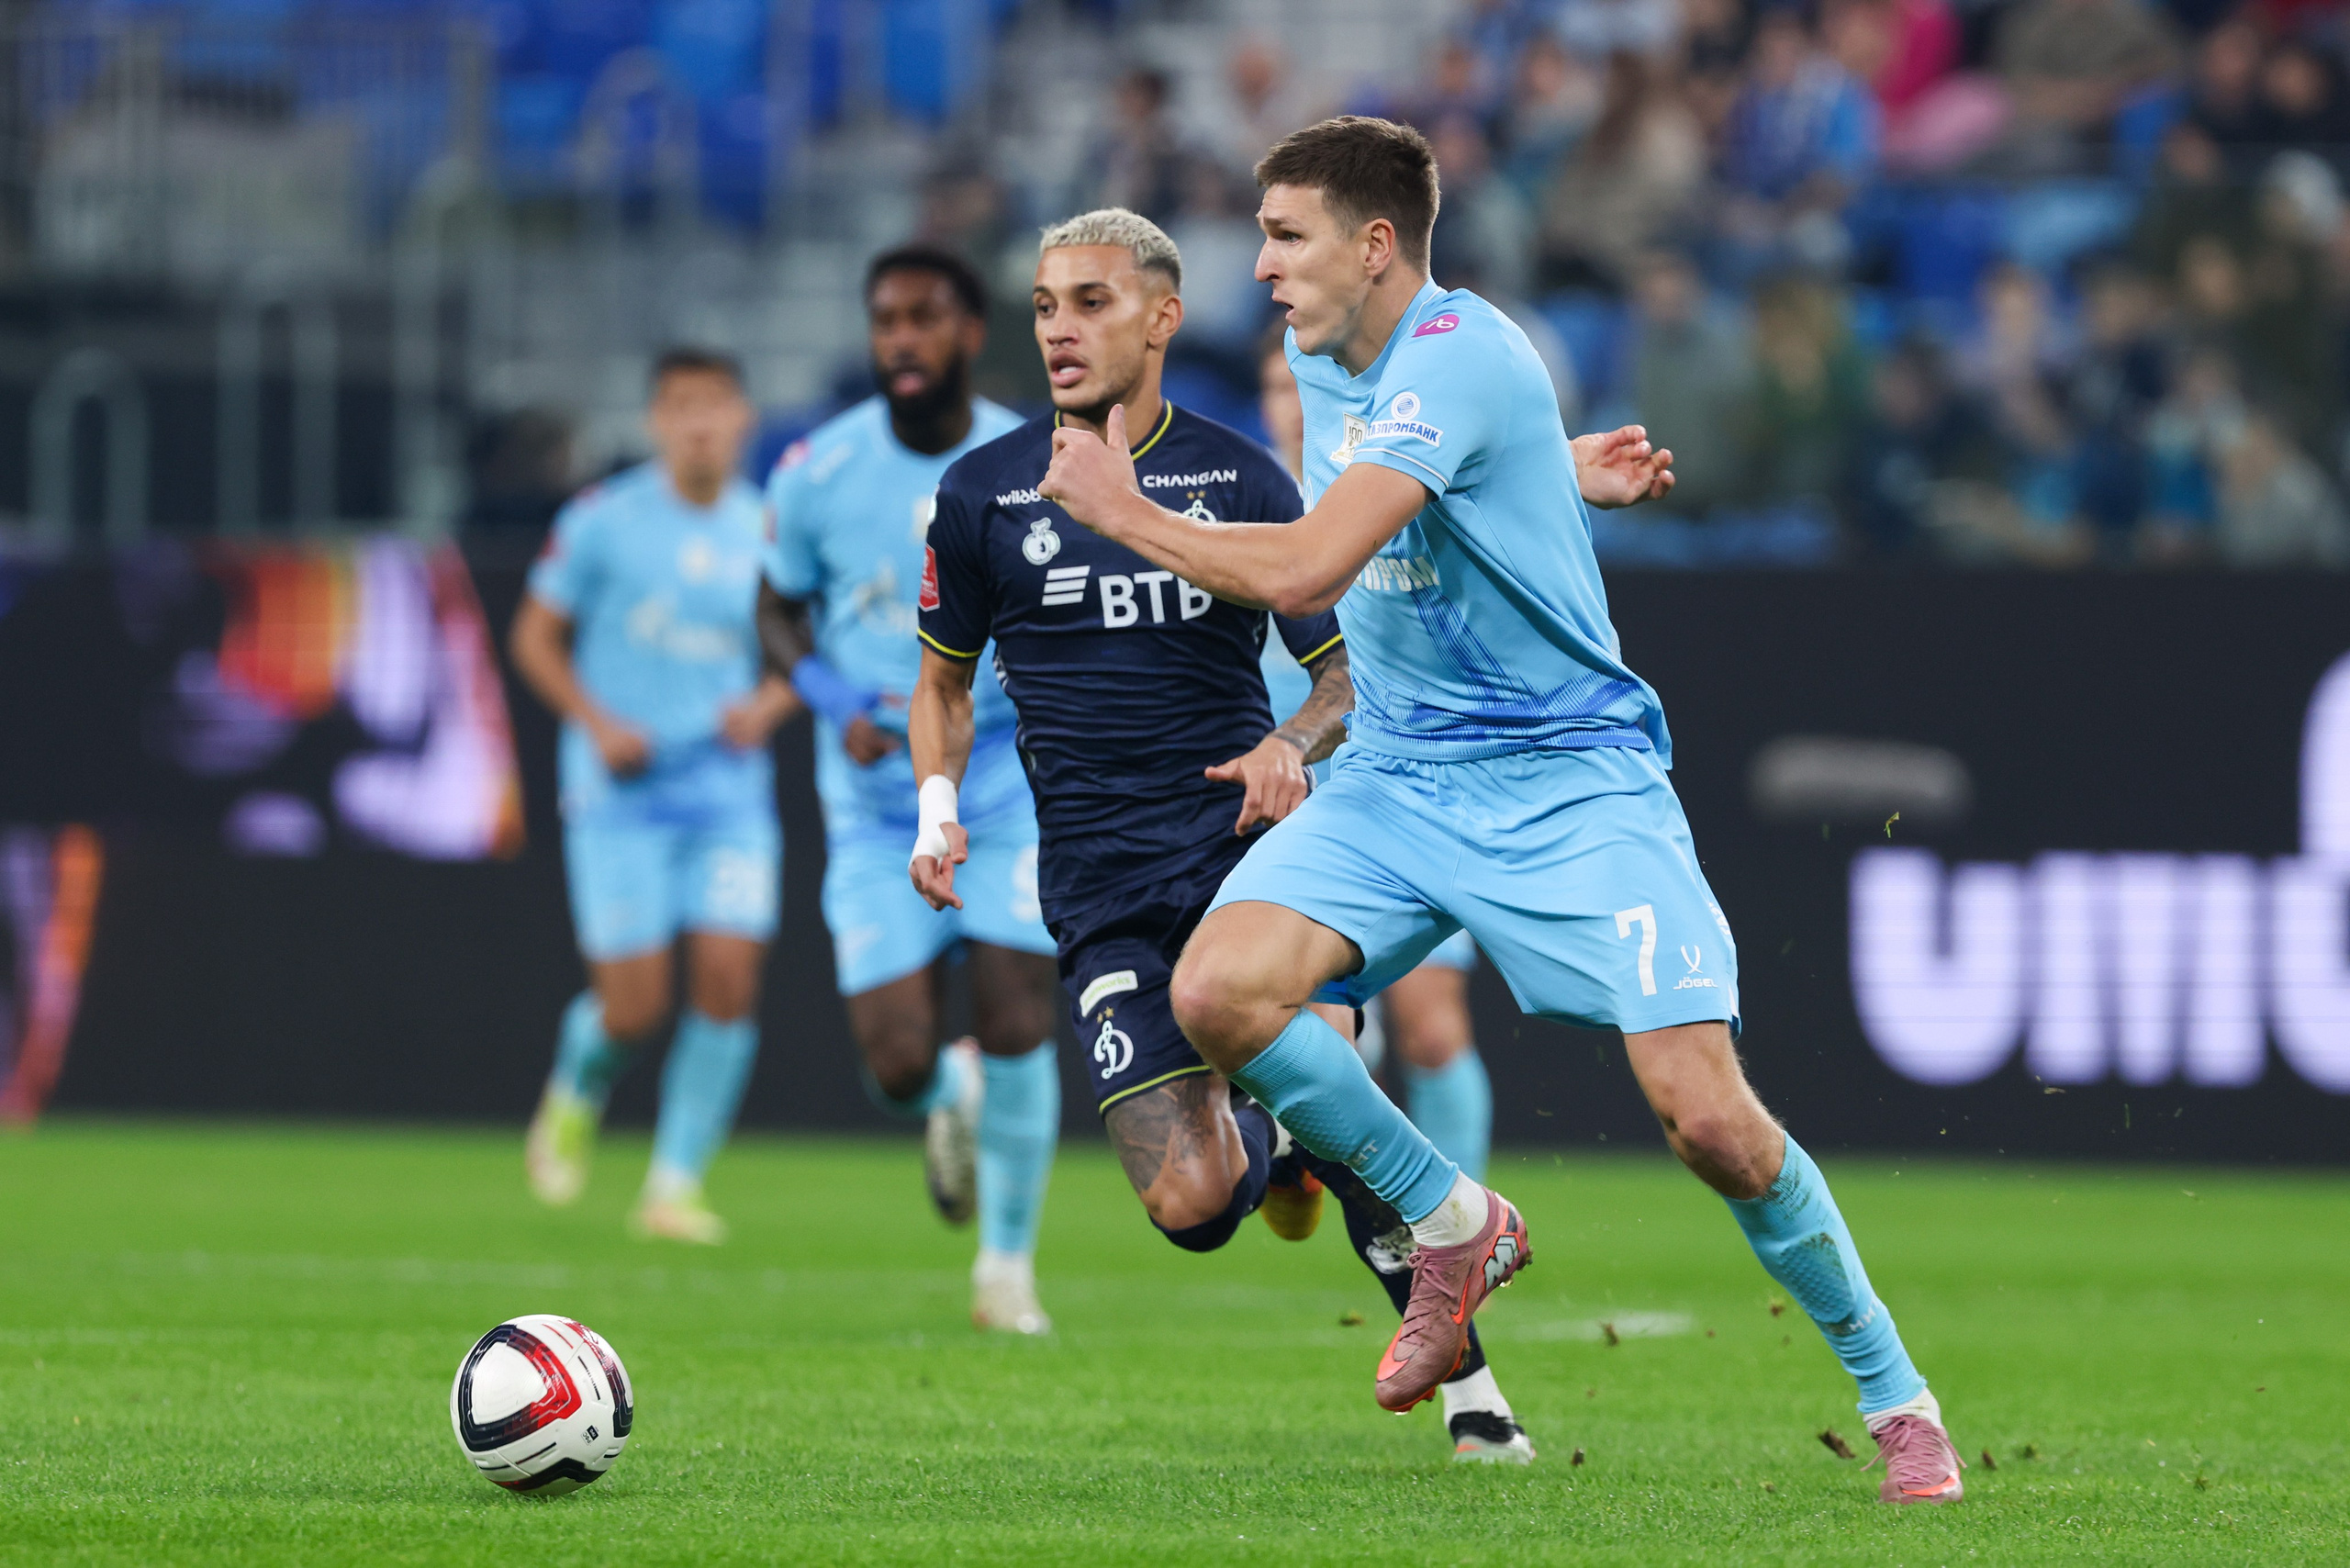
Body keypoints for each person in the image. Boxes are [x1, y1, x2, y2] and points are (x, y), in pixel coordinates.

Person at [1035, 117, 1965, 1505]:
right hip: (1403, 774)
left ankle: (1896, 1397)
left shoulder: (1467, 355)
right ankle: (1452, 1222)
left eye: (1285, 236)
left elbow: (1301, 570)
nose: (1262, 266)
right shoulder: (1322, 347)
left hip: (1569, 783)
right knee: (1220, 993)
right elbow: (1394, 501)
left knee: (1706, 1119)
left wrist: (1118, 509)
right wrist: (1543, 470)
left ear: (1374, 244)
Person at [911, 207, 1555, 1461]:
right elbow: (940, 681)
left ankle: (1480, 1407)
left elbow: (1341, 675)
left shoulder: (1237, 477)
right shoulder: (982, 494)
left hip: (1248, 866)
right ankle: (1279, 1143)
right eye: (1044, 305)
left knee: (1330, 1078)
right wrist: (937, 816)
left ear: (1161, 317)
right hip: (1100, 891)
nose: (1060, 329)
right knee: (1195, 1207)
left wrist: (1285, 746)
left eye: (1091, 302)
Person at [755, 246, 1064, 1336]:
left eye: (924, 317)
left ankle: (1006, 1272)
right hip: (875, 792)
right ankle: (944, 1100)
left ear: (971, 332)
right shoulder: (816, 470)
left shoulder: (1035, 459)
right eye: (885, 317)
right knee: (893, 1061)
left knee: (1020, 1010)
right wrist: (830, 690)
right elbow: (776, 607)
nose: (901, 338)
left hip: (1004, 782)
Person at [515, 349, 800, 1244]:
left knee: (726, 981)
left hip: (726, 791)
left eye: (715, 405)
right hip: (619, 792)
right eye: (681, 407)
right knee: (633, 1005)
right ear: (654, 421)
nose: (700, 423)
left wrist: (770, 704)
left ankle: (673, 1183)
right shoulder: (602, 521)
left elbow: (815, 649)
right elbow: (534, 638)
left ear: (744, 417)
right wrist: (596, 723)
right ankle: (576, 1083)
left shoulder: (770, 528)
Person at [1259, 334, 1493, 1182]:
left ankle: (1462, 1229)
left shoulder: (1395, 486)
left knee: (1434, 1030)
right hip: (1293, 797)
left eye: (1301, 385)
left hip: (1407, 781)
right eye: (1274, 387)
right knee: (1301, 1025)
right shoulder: (1242, 503)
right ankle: (1298, 1154)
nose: (1289, 402)